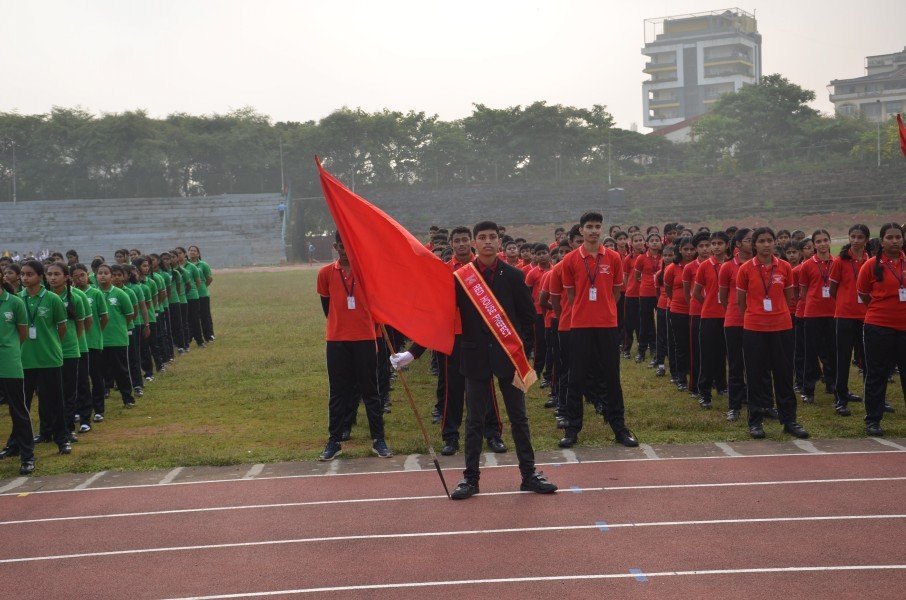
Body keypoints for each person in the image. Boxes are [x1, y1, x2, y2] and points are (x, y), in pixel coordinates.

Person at [395, 221, 557, 500]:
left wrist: (518, 347)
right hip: (474, 356)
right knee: (474, 421)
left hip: (508, 357)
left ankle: (529, 474)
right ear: (475, 242)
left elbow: (529, 317)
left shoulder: (514, 275)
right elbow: (442, 318)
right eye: (482, 237)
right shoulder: (461, 278)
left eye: (493, 237)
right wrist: (413, 353)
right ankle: (470, 479)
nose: (488, 242)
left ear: (499, 241)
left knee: (519, 418)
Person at [557, 211, 638, 449]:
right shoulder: (570, 259)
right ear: (581, 230)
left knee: (611, 377)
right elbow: (571, 295)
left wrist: (603, 308)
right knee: (576, 377)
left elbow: (616, 292)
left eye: (597, 226)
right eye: (589, 226)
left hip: (607, 325)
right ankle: (572, 429)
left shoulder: (613, 257)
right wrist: (586, 309)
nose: (594, 230)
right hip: (580, 325)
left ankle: (619, 427)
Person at [317, 233, 392, 461]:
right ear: (335, 246)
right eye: (341, 246)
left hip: (365, 338)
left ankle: (378, 439)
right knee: (338, 391)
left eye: (348, 246)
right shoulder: (325, 273)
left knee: (371, 391)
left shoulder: (367, 272)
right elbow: (327, 307)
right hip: (337, 340)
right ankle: (334, 440)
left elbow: (378, 302)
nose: (344, 251)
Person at [736, 228, 809, 440]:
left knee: (784, 375)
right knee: (756, 376)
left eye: (770, 240)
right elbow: (741, 302)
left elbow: (788, 297)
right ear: (754, 245)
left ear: (775, 242)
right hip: (754, 329)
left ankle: (789, 420)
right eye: (761, 241)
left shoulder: (784, 267)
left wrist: (776, 313)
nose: (766, 244)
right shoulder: (745, 269)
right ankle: (755, 421)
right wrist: (756, 315)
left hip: (781, 327)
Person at [856, 222, 906, 437]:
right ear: (882, 241)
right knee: (877, 374)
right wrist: (882, 310)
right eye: (890, 237)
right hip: (878, 327)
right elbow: (863, 293)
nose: (895, 241)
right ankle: (873, 420)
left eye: (898, 237)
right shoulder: (871, 265)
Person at [18, 260, 72, 454]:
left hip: (49, 358)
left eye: (29, 274)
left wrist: (51, 344)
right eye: (22, 274)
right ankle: (20, 442)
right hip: (24, 359)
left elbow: (62, 327)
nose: (25, 278)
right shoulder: (18, 299)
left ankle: (62, 439)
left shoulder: (52, 299)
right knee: (22, 404)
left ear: (40, 277)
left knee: (55, 401)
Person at [829, 225, 870, 417]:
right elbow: (833, 290)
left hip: (867, 316)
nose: (855, 240)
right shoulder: (840, 261)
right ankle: (841, 398)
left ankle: (873, 397)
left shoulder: (872, 261)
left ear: (866, 240)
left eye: (860, 237)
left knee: (868, 358)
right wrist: (845, 302)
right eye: (852, 236)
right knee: (843, 358)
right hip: (845, 316)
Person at [0, 277, 34, 474]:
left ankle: (27, 456)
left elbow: (22, 334)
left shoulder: (15, 302)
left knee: (18, 410)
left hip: (9, 362)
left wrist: (10, 350)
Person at [798, 229, 836, 405]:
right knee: (811, 353)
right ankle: (808, 390)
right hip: (813, 314)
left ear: (830, 241)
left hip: (833, 312)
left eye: (825, 240)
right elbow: (804, 291)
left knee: (832, 351)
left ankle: (832, 384)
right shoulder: (807, 265)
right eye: (818, 241)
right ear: (813, 245)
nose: (822, 244)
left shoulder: (837, 262)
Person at [718, 228, 752, 422]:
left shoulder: (760, 264)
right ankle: (735, 405)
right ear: (738, 244)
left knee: (759, 364)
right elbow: (723, 298)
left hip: (757, 321)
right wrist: (736, 311)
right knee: (736, 364)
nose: (752, 243)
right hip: (735, 320)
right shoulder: (728, 267)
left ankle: (762, 403)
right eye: (748, 240)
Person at [692, 231, 729, 409]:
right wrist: (709, 303)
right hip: (709, 316)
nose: (716, 247)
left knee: (726, 354)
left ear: (727, 245)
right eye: (713, 243)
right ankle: (704, 393)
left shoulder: (732, 264)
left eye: (719, 243)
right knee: (708, 355)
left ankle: (723, 386)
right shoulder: (705, 266)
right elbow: (697, 293)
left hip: (729, 316)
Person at [71, 263, 108, 430]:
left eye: (82, 275)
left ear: (87, 275)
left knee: (95, 375)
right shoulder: (71, 294)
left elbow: (104, 317)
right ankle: (79, 409)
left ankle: (99, 409)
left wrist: (96, 333)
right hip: (77, 344)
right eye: (76, 276)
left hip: (92, 341)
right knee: (79, 378)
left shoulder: (95, 293)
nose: (80, 278)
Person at [98, 264, 136, 413]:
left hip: (117, 339)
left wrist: (119, 327)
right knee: (100, 371)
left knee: (121, 370)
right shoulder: (94, 293)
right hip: (99, 340)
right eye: (100, 273)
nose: (103, 275)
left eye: (106, 273)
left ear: (111, 276)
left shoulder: (120, 294)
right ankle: (103, 394)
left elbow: (129, 314)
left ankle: (127, 397)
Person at [665, 237, 694, 391]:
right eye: (685, 249)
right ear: (680, 250)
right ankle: (680, 377)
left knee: (695, 345)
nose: (689, 252)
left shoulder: (699, 265)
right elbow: (668, 288)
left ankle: (695, 374)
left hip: (697, 311)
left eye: (691, 249)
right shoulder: (672, 268)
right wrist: (678, 301)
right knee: (680, 345)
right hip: (678, 311)